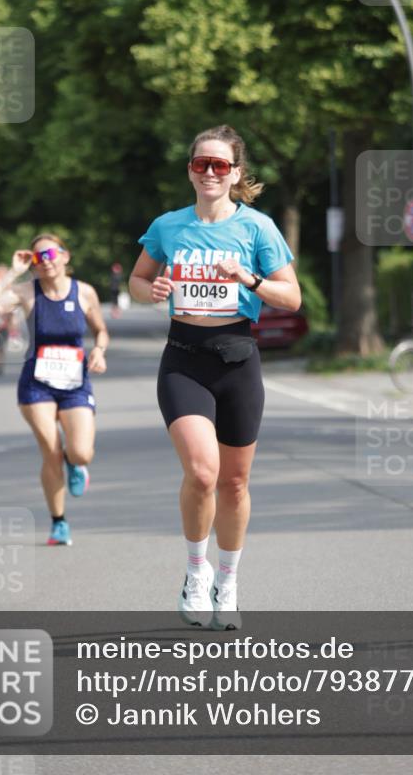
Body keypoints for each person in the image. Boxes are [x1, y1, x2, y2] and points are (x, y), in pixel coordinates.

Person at [130, 125, 301, 629]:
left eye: (220, 165)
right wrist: (152, 289)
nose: (209, 172)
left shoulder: (257, 228)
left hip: (238, 360)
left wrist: (248, 278)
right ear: (190, 169)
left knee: (234, 482)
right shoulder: (168, 226)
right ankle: (196, 572)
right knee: (202, 472)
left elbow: (291, 298)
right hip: (184, 358)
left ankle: (228, 582)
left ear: (236, 173)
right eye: (201, 163)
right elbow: (138, 281)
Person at [0, 233, 108, 546]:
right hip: (36, 383)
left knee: (81, 451)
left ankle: (75, 461)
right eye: (38, 257)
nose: (47, 261)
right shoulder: (27, 292)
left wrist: (98, 350)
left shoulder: (84, 292)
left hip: (75, 383)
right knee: (51, 451)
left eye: (52, 254)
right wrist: (14, 271)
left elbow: (101, 331)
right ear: (33, 263)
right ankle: (59, 522)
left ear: (65, 256)